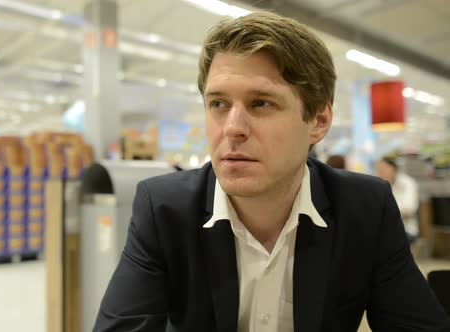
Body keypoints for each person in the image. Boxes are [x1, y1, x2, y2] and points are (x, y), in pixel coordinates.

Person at [94, 11, 450, 332]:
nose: (232, 127)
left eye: (261, 103)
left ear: (319, 121)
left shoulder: (365, 208)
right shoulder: (164, 208)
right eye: (218, 103)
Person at [376, 157, 420, 243]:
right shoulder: (378, 185)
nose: (380, 172)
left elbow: (409, 209)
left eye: (383, 168)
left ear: (394, 168)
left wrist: (383, 214)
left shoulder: (407, 183)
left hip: (405, 230)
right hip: (383, 230)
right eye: (378, 169)